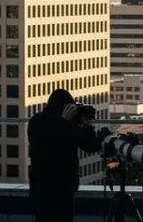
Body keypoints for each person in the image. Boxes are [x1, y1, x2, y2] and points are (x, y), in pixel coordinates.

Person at [28, 89, 99, 222]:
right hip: (45, 186)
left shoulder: (69, 125)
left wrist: (87, 127)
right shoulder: (37, 122)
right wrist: (63, 122)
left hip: (64, 187)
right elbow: (45, 146)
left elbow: (91, 146)